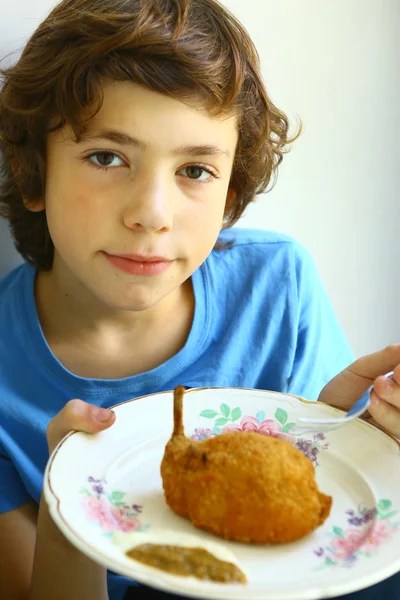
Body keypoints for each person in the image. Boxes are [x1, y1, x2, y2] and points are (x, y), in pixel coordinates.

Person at [0, 1, 399, 599]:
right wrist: (70, 505)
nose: (151, 215)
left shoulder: (276, 284)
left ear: (230, 194)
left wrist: (368, 444)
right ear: (34, 173)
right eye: (107, 157)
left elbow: (330, 515)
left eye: (195, 170)